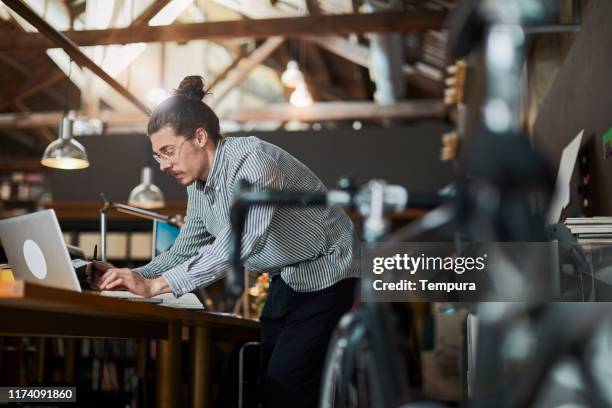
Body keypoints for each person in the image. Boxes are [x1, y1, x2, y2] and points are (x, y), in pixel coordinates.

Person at [94, 75, 359, 406]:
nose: (163, 165)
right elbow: (185, 248)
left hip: (329, 269)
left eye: (168, 152)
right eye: (158, 156)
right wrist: (133, 276)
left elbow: (239, 242)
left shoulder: (254, 162)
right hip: (286, 276)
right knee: (265, 383)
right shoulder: (198, 187)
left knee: (288, 383)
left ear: (200, 137)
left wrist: (156, 286)